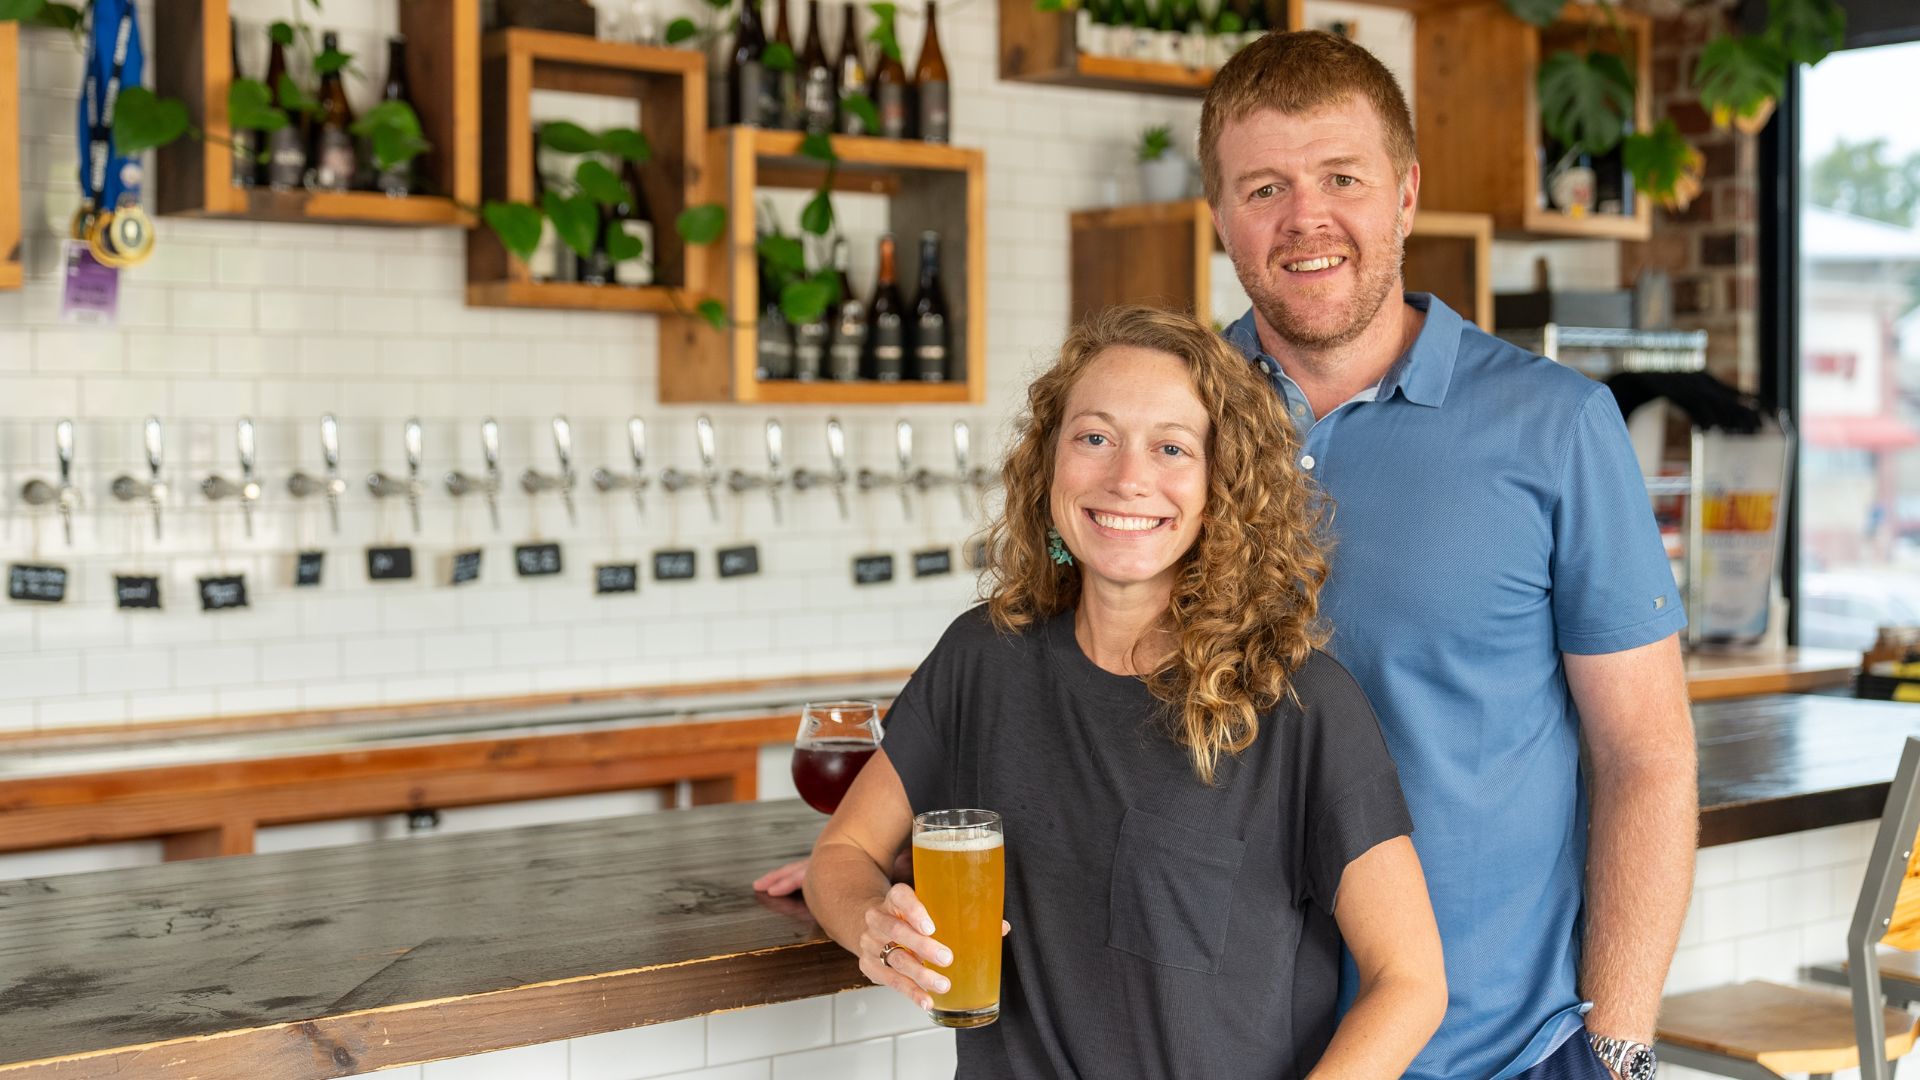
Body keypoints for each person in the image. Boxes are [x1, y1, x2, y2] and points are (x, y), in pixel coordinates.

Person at [1203, 30, 1697, 1080]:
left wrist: (1616, 1049)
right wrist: (877, 831)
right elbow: (1047, 652)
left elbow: (1646, 758)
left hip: (1491, 1057)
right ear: (1218, 217)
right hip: (1221, 1048)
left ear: (1407, 195)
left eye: (1343, 177)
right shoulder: (1166, 419)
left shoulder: (1557, 426)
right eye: (1263, 188)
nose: (1307, 219)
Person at [803, 305, 1448, 1078]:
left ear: (1224, 486)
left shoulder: (1298, 704)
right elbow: (841, 854)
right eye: (1095, 438)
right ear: (1050, 462)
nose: (1127, 479)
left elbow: (1410, 983)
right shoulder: (983, 658)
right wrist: (872, 929)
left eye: (1171, 447)